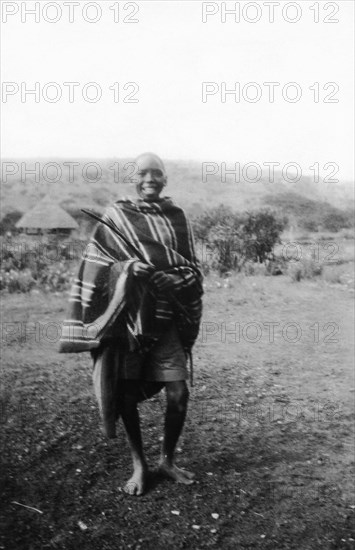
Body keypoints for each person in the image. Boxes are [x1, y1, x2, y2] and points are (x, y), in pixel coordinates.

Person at [59, 153, 203, 496]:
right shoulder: (117, 216)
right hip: (128, 322)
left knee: (179, 393)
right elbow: (94, 266)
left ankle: (167, 460)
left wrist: (177, 280)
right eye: (142, 173)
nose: (149, 179)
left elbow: (193, 270)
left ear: (165, 179)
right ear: (133, 178)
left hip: (167, 318)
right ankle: (139, 463)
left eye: (156, 173)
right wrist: (125, 269)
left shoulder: (177, 217)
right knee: (123, 393)